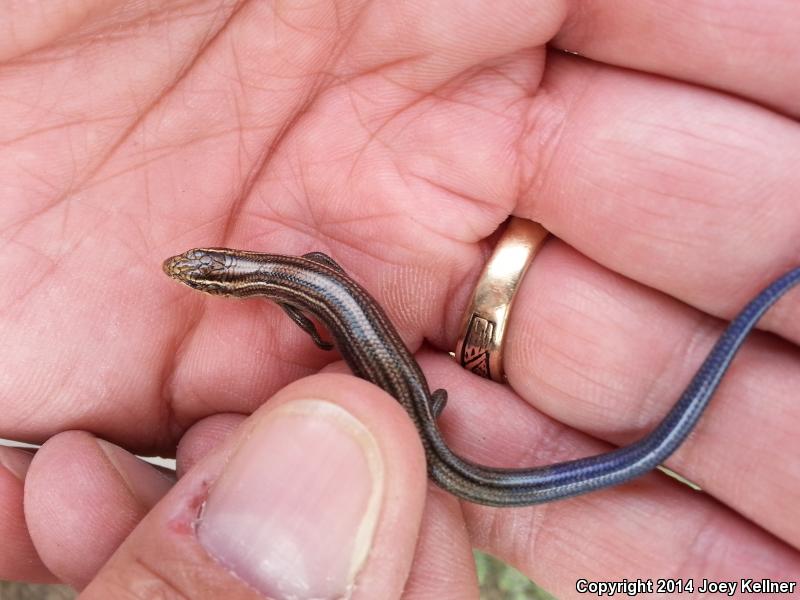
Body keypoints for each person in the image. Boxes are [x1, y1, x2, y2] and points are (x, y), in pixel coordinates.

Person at [1, 1, 799, 598]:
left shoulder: (282, 289)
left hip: (411, 399)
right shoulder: (280, 270)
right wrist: (324, 323)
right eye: (195, 270)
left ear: (223, 275)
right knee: (424, 427)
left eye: (197, 273)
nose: (194, 272)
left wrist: (330, 334)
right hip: (408, 393)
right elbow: (310, 275)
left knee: (420, 427)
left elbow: (311, 304)